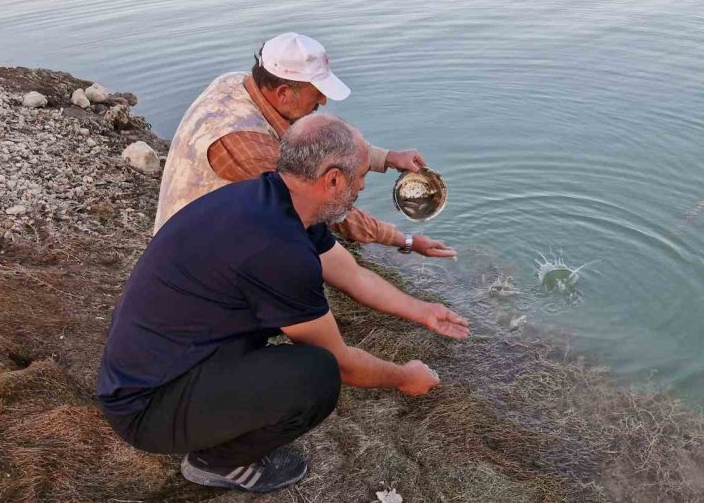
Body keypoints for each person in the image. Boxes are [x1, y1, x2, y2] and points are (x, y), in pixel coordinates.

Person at [98, 113, 469, 494]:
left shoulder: (277, 200)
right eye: (360, 176)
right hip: (146, 406)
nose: (362, 185)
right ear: (333, 179)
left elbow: (353, 275)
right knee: (316, 376)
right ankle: (218, 462)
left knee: (298, 356)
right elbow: (343, 365)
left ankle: (213, 428)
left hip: (161, 363)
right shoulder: (278, 248)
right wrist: (405, 377)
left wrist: (423, 311)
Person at [154, 31, 455, 258]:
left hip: (215, 222)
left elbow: (311, 145)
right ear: (284, 92)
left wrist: (387, 158)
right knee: (307, 244)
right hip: (192, 253)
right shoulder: (245, 145)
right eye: (317, 92)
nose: (323, 100)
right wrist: (405, 240)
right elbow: (327, 203)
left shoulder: (238, 82)